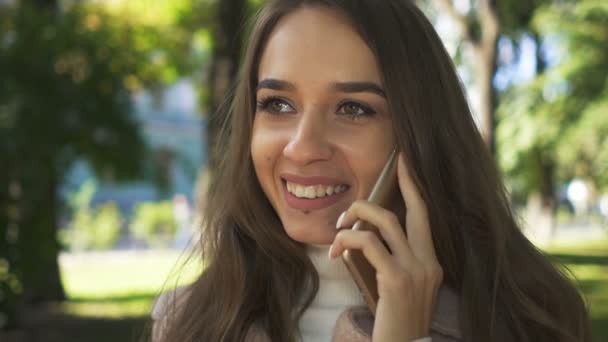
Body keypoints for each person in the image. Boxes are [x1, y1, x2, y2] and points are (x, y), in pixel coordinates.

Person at [150, 0, 591, 341]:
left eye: (353, 108)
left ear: (418, 134)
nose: (302, 148)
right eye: (278, 104)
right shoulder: (185, 323)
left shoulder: (530, 319)